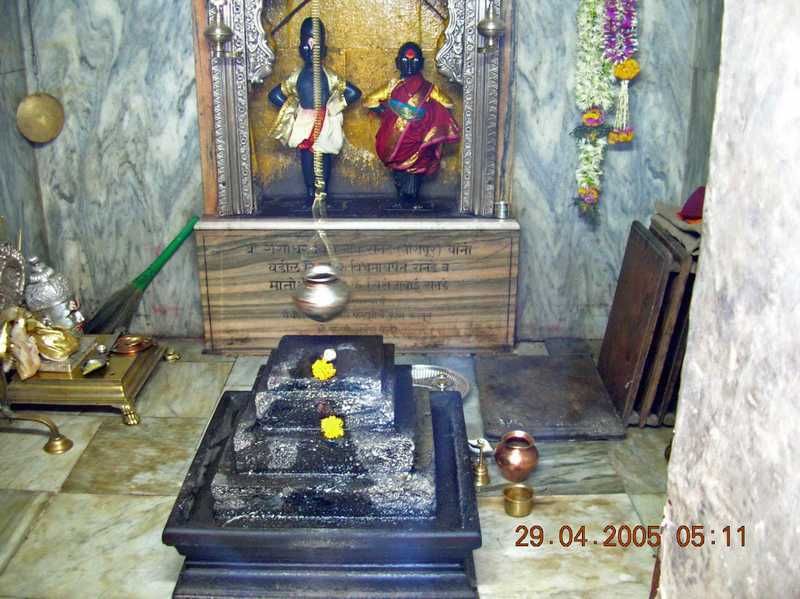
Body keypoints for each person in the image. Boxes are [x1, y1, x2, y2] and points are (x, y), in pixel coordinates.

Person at [268, 18, 361, 201]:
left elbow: (354, 92)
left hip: (324, 123)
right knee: (307, 158)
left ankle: (322, 194)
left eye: (316, 45)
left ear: (324, 49)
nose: (312, 50)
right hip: (305, 124)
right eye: (307, 44)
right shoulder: (296, 77)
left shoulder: (330, 77)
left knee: (324, 157)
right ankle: (310, 193)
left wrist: (334, 107)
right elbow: (275, 95)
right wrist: (294, 110)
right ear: (300, 48)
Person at [364, 42, 460, 209]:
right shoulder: (392, 86)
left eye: (414, 61)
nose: (409, 65)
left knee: (416, 170)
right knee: (398, 171)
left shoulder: (429, 89)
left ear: (421, 63)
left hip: (417, 139)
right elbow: (369, 100)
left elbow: (448, 103)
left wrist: (427, 113)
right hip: (394, 139)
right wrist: (387, 113)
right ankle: (402, 199)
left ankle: (412, 199)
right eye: (404, 60)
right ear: (397, 63)